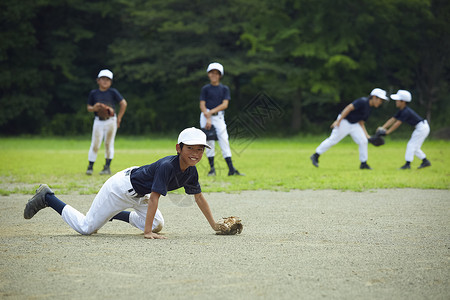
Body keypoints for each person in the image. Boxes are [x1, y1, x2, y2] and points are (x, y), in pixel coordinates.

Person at [24, 127, 222, 239]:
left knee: (157, 224)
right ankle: (48, 198)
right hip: (120, 189)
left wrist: (214, 225)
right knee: (86, 228)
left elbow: (199, 198)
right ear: (178, 148)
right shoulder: (167, 166)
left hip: (140, 191)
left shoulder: (191, 171)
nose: (196, 154)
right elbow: (155, 198)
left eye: (200, 150)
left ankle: (113, 213)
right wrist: (146, 233)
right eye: (191, 148)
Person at [310, 88, 389, 170]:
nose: (381, 102)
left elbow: (361, 123)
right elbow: (349, 108)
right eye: (380, 100)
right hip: (344, 121)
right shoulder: (362, 101)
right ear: (374, 97)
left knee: (363, 141)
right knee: (333, 140)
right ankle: (315, 155)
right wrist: (338, 121)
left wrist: (368, 137)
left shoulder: (369, 109)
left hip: (355, 124)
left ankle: (363, 163)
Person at [199, 62, 243, 176]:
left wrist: (210, 112)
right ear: (209, 74)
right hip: (205, 117)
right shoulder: (205, 88)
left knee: (224, 140)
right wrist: (207, 115)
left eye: (216, 73)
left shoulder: (224, 89)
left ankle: (231, 169)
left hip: (218, 117)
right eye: (212, 72)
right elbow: (202, 104)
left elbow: (225, 104)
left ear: (220, 75)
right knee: (209, 142)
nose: (214, 75)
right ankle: (212, 169)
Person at [86, 69, 127, 176]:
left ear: (111, 82)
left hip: (111, 120)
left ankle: (107, 167)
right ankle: (90, 166)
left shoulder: (113, 92)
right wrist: (94, 108)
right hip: (98, 121)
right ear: (98, 80)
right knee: (95, 143)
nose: (105, 81)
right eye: (103, 79)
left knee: (108, 144)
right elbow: (89, 108)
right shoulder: (94, 93)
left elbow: (123, 103)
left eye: (108, 79)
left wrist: (119, 118)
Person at [378, 90, 431, 169]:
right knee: (415, 147)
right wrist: (382, 127)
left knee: (411, 145)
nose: (396, 102)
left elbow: (397, 124)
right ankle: (425, 161)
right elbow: (392, 119)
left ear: (403, 101)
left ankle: (407, 165)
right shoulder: (402, 110)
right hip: (421, 127)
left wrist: (387, 132)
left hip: (422, 128)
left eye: (397, 100)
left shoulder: (406, 112)